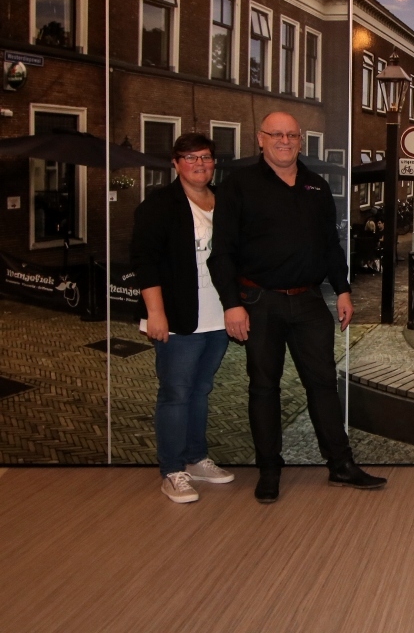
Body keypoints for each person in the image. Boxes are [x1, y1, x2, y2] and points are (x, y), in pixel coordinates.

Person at [209, 112, 385, 503]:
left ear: (300, 140)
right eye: (276, 134)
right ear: (260, 139)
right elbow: (221, 253)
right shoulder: (238, 185)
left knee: (323, 384)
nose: (284, 141)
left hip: (308, 301)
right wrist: (231, 305)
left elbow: (330, 246)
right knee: (264, 387)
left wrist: (343, 290)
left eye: (291, 135)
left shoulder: (316, 186)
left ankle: (341, 465)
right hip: (259, 302)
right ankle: (269, 470)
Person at [131, 133, 235, 504]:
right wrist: (155, 314)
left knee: (201, 389)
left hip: (218, 316)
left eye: (205, 157)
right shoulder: (160, 204)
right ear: (176, 163)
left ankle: (195, 458)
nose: (199, 164)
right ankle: (172, 470)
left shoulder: (225, 200)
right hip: (177, 316)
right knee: (176, 393)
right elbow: (145, 262)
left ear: (214, 162)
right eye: (190, 158)